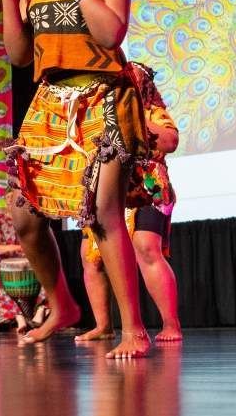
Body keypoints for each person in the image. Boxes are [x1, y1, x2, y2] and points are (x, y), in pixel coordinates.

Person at [0, 0, 152, 358]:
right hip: (50, 100)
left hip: (102, 95)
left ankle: (133, 329)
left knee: (104, 213)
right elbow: (20, 55)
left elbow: (110, 33)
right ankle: (62, 305)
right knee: (24, 215)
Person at [75, 61, 184, 344]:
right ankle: (103, 326)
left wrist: (130, 115)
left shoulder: (151, 109)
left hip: (147, 188)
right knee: (91, 257)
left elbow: (170, 141)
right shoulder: (93, 113)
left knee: (147, 248)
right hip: (109, 192)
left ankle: (171, 324)